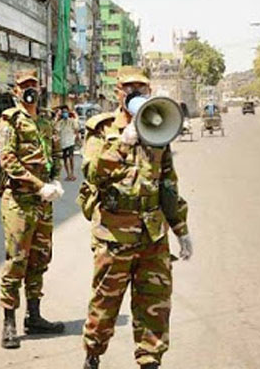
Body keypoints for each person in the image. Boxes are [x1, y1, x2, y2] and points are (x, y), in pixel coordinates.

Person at [79, 66, 193, 369]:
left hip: (152, 236)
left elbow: (168, 184)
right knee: (105, 305)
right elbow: (91, 173)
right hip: (114, 235)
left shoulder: (159, 124)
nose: (134, 93)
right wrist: (122, 144)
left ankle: (150, 361)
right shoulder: (102, 128)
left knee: (155, 306)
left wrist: (181, 228)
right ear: (117, 92)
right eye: (128, 87)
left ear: (149, 91)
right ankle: (93, 355)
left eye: (141, 88)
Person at [0, 69, 65, 349]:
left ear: (40, 88)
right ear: (16, 91)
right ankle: (9, 323)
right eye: (24, 86)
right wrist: (38, 185)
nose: (29, 90)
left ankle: (33, 316)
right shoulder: (10, 121)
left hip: (43, 202)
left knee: (40, 259)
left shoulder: (46, 120)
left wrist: (55, 179)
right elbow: (8, 160)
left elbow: (55, 152)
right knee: (17, 260)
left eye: (33, 85)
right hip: (19, 200)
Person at [56, 105, 80, 181]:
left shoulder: (72, 121)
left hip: (71, 141)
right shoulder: (60, 122)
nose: (65, 113)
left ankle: (72, 174)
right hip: (63, 142)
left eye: (66, 112)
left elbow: (76, 128)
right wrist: (57, 118)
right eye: (63, 112)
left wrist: (77, 137)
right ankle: (68, 174)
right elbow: (56, 129)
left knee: (71, 157)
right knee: (65, 159)